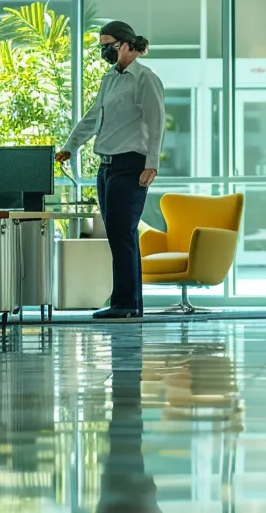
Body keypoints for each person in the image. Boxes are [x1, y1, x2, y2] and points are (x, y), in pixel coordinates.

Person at [55, 21, 165, 319]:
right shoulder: (109, 80)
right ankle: (124, 302)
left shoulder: (145, 79)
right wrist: (70, 146)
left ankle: (127, 304)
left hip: (132, 166)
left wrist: (151, 165)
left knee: (123, 235)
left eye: (110, 46)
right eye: (102, 46)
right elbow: (92, 118)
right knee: (116, 236)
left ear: (128, 45)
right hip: (107, 168)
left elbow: (156, 122)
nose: (105, 51)